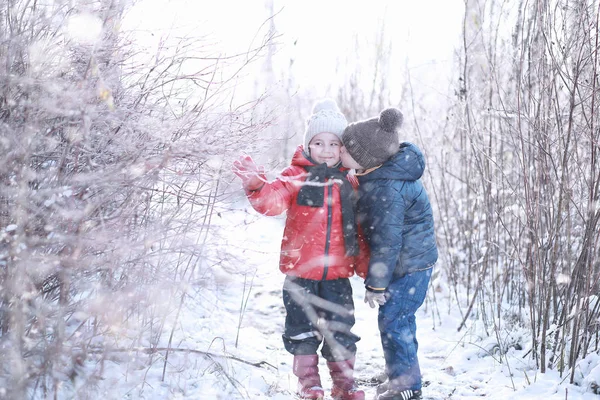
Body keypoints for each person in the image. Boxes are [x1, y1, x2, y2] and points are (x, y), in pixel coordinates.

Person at [232, 99, 366, 400]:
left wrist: (369, 268)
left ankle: (344, 385)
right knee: (302, 330)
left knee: (341, 331)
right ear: (308, 145)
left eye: (334, 143)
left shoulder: (350, 181)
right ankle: (309, 384)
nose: (327, 149)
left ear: (343, 148)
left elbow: (363, 228)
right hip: (300, 274)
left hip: (338, 276)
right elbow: (272, 201)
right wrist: (256, 185)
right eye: (318, 142)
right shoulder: (295, 175)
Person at [339, 107, 438, 400]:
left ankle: (407, 386)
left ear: (365, 158)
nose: (340, 151)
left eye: (346, 149)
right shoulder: (380, 175)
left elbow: (388, 241)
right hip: (408, 262)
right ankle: (399, 372)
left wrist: (376, 284)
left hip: (409, 266)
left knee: (396, 320)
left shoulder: (388, 189)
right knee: (396, 319)